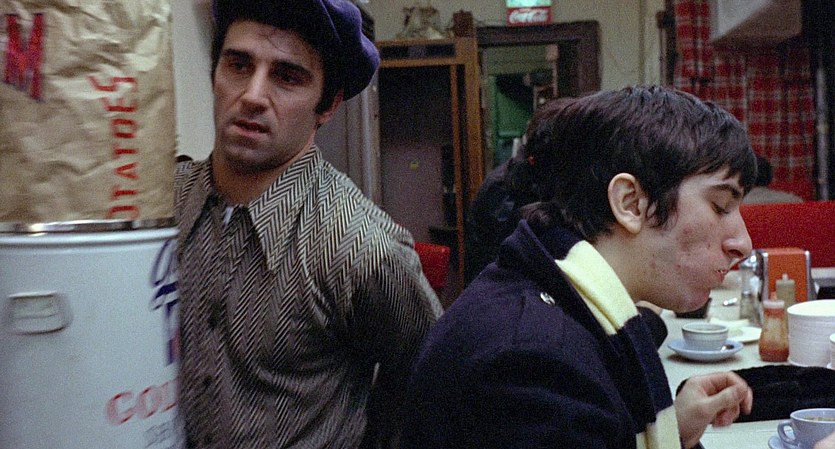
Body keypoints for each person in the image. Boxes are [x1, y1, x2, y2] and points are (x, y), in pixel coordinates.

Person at [401, 85, 757, 449]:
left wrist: (673, 434)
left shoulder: (555, 296)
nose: (742, 244)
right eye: (720, 206)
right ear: (630, 203)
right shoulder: (534, 366)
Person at [174, 1, 443, 448]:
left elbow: (430, 377)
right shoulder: (165, 207)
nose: (253, 95)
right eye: (238, 65)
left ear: (328, 105)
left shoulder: (362, 247)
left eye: (287, 77)